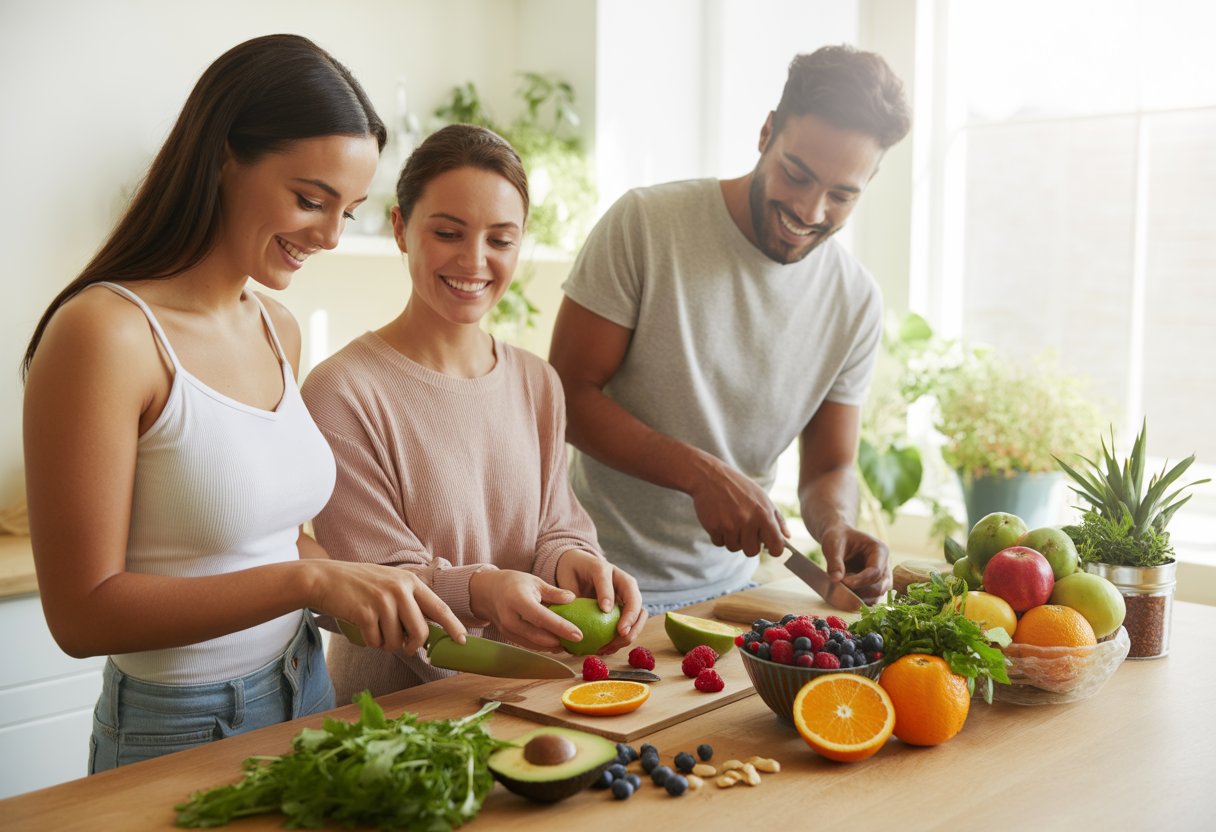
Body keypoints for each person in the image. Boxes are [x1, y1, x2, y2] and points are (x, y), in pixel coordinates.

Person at [21, 34, 468, 774]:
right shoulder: (106, 333)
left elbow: (265, 543)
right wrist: (310, 580)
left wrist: (401, 590)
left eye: (348, 211)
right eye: (309, 200)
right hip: (179, 725)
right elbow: (81, 613)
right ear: (223, 158)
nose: (327, 236)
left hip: (306, 686)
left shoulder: (276, 327)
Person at [548, 45, 912, 611]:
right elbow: (564, 398)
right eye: (797, 174)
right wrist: (699, 474)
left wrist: (837, 523)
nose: (811, 212)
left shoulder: (856, 300)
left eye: (842, 195)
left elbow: (830, 465)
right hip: (590, 581)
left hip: (733, 597)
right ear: (766, 132)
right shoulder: (646, 225)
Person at [301, 124, 646, 703]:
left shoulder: (538, 381)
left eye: (501, 240)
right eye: (448, 232)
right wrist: (484, 590)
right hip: (397, 714)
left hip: (530, 699)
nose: (474, 260)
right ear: (400, 228)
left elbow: (554, 524)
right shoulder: (341, 391)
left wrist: (576, 562)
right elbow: (377, 578)